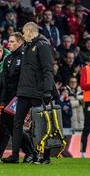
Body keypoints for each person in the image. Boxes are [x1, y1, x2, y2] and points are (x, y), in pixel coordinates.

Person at [11, 22, 56, 164]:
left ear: (30, 31)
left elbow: (48, 70)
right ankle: (14, 155)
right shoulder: (27, 48)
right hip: (24, 91)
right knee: (17, 123)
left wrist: (48, 90)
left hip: (38, 92)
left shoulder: (43, 46)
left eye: (24, 32)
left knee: (43, 125)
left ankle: (45, 157)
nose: (23, 35)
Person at [0, 33, 34, 163]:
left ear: (20, 42)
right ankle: (30, 152)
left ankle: (28, 152)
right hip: (8, 99)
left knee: (15, 126)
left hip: (19, 98)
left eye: (12, 41)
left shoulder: (25, 57)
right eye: (8, 41)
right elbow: (4, 80)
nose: (8, 44)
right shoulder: (8, 58)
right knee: (10, 126)